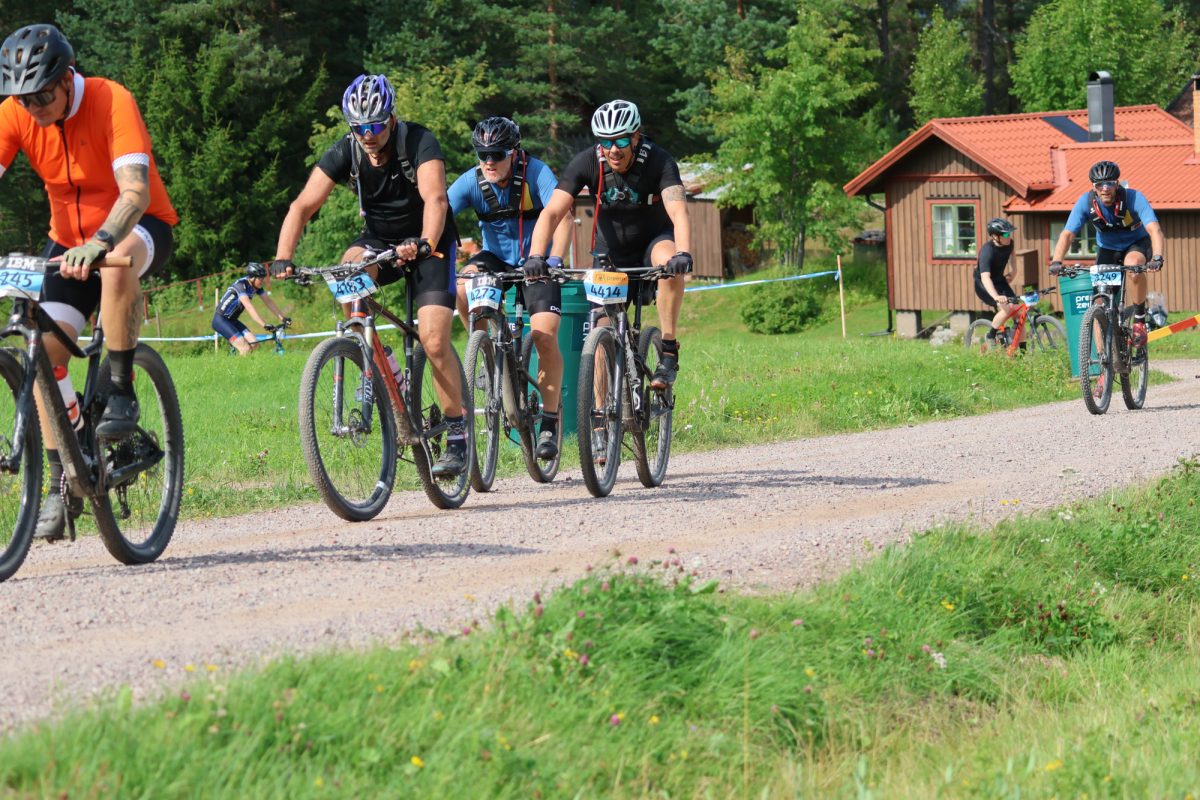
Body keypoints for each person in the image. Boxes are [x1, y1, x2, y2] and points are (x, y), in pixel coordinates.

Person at [0, 23, 177, 540]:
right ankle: (63, 479)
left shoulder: (110, 99)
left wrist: (101, 241)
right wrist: (79, 245)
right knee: (43, 352)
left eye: (41, 95)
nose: (32, 107)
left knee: (118, 262)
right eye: (22, 98)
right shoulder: (15, 113)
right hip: (66, 241)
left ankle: (120, 388)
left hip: (137, 227)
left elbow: (135, 192)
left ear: (66, 77)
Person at [270, 74, 467, 477]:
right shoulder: (347, 150)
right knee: (348, 268)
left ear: (391, 119)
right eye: (359, 128)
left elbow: (436, 198)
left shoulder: (419, 141)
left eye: (375, 126)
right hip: (380, 240)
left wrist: (425, 242)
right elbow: (302, 206)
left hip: (430, 243)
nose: (368, 136)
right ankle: (379, 361)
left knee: (433, 340)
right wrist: (282, 257)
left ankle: (457, 434)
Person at [523, 99, 692, 457]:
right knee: (599, 329)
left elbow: (678, 211)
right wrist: (537, 256)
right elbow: (552, 212)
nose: (613, 149)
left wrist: (684, 253)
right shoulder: (587, 161)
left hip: (653, 243)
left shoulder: (659, 161)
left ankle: (668, 348)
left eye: (620, 140)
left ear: (636, 136)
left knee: (669, 263)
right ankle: (600, 418)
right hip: (610, 254)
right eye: (605, 142)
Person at [447, 116, 573, 460]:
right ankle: (485, 352)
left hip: (538, 260)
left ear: (514, 152)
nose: (489, 161)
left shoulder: (537, 173)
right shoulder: (472, 181)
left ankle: (549, 421)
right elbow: (439, 212)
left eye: (497, 154)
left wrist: (554, 259)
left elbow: (564, 218)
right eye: (482, 154)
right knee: (462, 287)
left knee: (544, 335)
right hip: (495, 260)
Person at [1050, 160, 1164, 347]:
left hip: (1136, 244)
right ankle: (1103, 359)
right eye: (1099, 184)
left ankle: (1139, 318)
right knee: (1099, 304)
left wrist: (1157, 257)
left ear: (1117, 184)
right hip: (1108, 249)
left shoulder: (1134, 198)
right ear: (1093, 186)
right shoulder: (1086, 202)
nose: (1105, 188)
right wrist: (1056, 261)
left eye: (1110, 183)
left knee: (1133, 266)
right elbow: (1067, 234)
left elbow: (1154, 230)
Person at [212, 263, 289, 354]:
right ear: (252, 278)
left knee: (255, 344)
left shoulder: (256, 287)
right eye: (260, 279)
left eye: (263, 278)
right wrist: (264, 324)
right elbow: (249, 307)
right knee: (245, 348)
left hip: (233, 320)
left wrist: (283, 318)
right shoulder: (240, 285)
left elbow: (268, 302)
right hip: (221, 320)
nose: (263, 281)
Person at [973, 217, 1019, 342]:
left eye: (1010, 233)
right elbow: (985, 278)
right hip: (983, 284)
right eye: (1005, 234)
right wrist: (996, 297)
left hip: (999, 281)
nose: (1009, 236)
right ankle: (990, 336)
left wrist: (1014, 272)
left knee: (1017, 313)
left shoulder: (1009, 244)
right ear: (995, 236)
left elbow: (1012, 255)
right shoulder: (987, 251)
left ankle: (1022, 349)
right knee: (1008, 308)